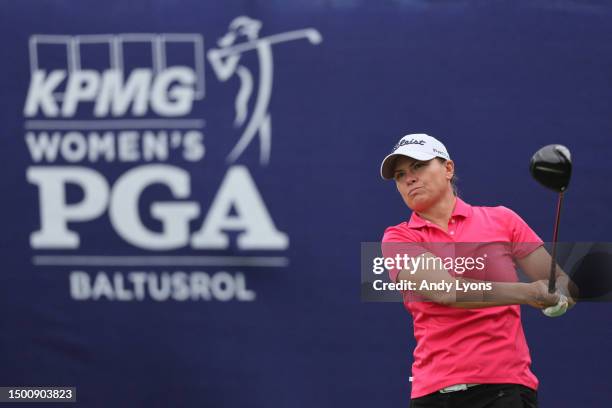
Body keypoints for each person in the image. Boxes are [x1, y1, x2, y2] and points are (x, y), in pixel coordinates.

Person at [379, 133, 575, 408]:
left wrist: (559, 298)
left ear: (448, 168)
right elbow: (446, 290)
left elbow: (562, 283)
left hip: (502, 390)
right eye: (400, 174)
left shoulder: (502, 220)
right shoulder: (398, 238)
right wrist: (529, 293)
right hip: (433, 396)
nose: (409, 178)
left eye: (419, 166)